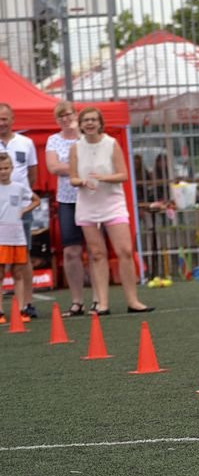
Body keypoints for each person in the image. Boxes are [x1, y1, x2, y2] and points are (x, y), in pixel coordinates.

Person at [68, 107, 153, 315]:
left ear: (100, 123)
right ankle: (102, 303)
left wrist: (104, 178)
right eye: (86, 120)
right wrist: (83, 181)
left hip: (112, 202)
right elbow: (72, 178)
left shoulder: (111, 144)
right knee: (97, 254)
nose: (89, 123)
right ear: (80, 124)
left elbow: (123, 174)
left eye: (93, 120)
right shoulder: (76, 148)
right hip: (87, 204)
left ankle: (133, 300)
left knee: (124, 251)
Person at [45, 101, 97, 316]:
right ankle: (77, 300)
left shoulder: (86, 137)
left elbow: (96, 163)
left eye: (69, 114)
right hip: (67, 199)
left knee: (95, 249)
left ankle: (98, 299)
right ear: (57, 120)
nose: (66, 119)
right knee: (71, 250)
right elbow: (53, 167)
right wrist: (78, 169)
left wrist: (71, 168)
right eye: (61, 116)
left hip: (91, 197)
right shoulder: (53, 140)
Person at [0, 102, 38, 319]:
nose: (1, 123)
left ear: (12, 119)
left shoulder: (26, 143)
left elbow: (32, 174)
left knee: (24, 258)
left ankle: (27, 304)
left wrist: (23, 202)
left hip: (19, 209)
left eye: (5, 118)